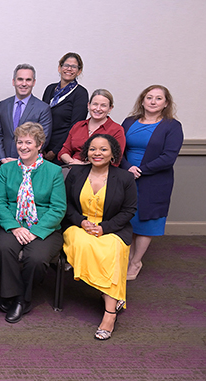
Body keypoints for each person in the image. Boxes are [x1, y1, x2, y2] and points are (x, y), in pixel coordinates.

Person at [63, 134, 137, 340]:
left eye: (103, 149)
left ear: (113, 153)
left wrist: (104, 228)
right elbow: (66, 205)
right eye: (93, 149)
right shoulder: (76, 173)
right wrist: (81, 222)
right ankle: (112, 295)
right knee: (83, 244)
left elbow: (129, 210)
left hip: (112, 228)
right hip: (79, 227)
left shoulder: (124, 178)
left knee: (112, 250)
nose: (97, 153)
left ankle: (109, 315)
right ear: (86, 151)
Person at [0, 122, 66, 323]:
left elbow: (58, 208)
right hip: (13, 224)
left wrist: (35, 231)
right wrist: (15, 227)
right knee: (4, 248)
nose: (23, 147)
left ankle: (21, 299)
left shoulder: (53, 171)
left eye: (28, 142)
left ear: (39, 145)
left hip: (44, 227)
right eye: (19, 142)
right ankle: (9, 294)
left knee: (36, 258)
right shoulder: (7, 169)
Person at [120, 85, 183, 280]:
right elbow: (118, 148)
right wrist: (128, 167)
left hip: (155, 181)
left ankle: (136, 261)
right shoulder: (129, 122)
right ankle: (127, 256)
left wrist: (141, 171)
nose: (153, 101)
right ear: (142, 100)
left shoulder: (172, 126)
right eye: (149, 97)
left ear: (165, 103)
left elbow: (169, 157)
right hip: (127, 178)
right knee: (128, 218)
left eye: (158, 98)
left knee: (146, 220)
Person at [0, 64, 52, 164]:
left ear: (34, 82)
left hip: (30, 164)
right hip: (4, 163)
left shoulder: (43, 108)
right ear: (13, 81)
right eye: (20, 79)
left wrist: (22, 159)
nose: (24, 84)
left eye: (28, 80)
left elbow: (43, 139)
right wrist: (2, 158)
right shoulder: (2, 105)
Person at [42, 52, 90, 162]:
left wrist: (55, 151)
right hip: (42, 148)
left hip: (63, 150)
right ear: (60, 68)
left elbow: (75, 126)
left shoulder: (80, 93)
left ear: (79, 71)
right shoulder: (50, 89)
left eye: (74, 67)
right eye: (66, 65)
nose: (69, 69)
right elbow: (42, 118)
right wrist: (40, 146)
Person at [58, 89, 125, 166]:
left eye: (103, 105)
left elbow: (115, 160)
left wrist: (84, 165)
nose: (98, 109)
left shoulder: (116, 130)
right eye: (95, 104)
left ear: (110, 108)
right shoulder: (78, 126)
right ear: (89, 105)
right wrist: (72, 162)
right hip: (73, 169)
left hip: (100, 174)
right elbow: (64, 151)